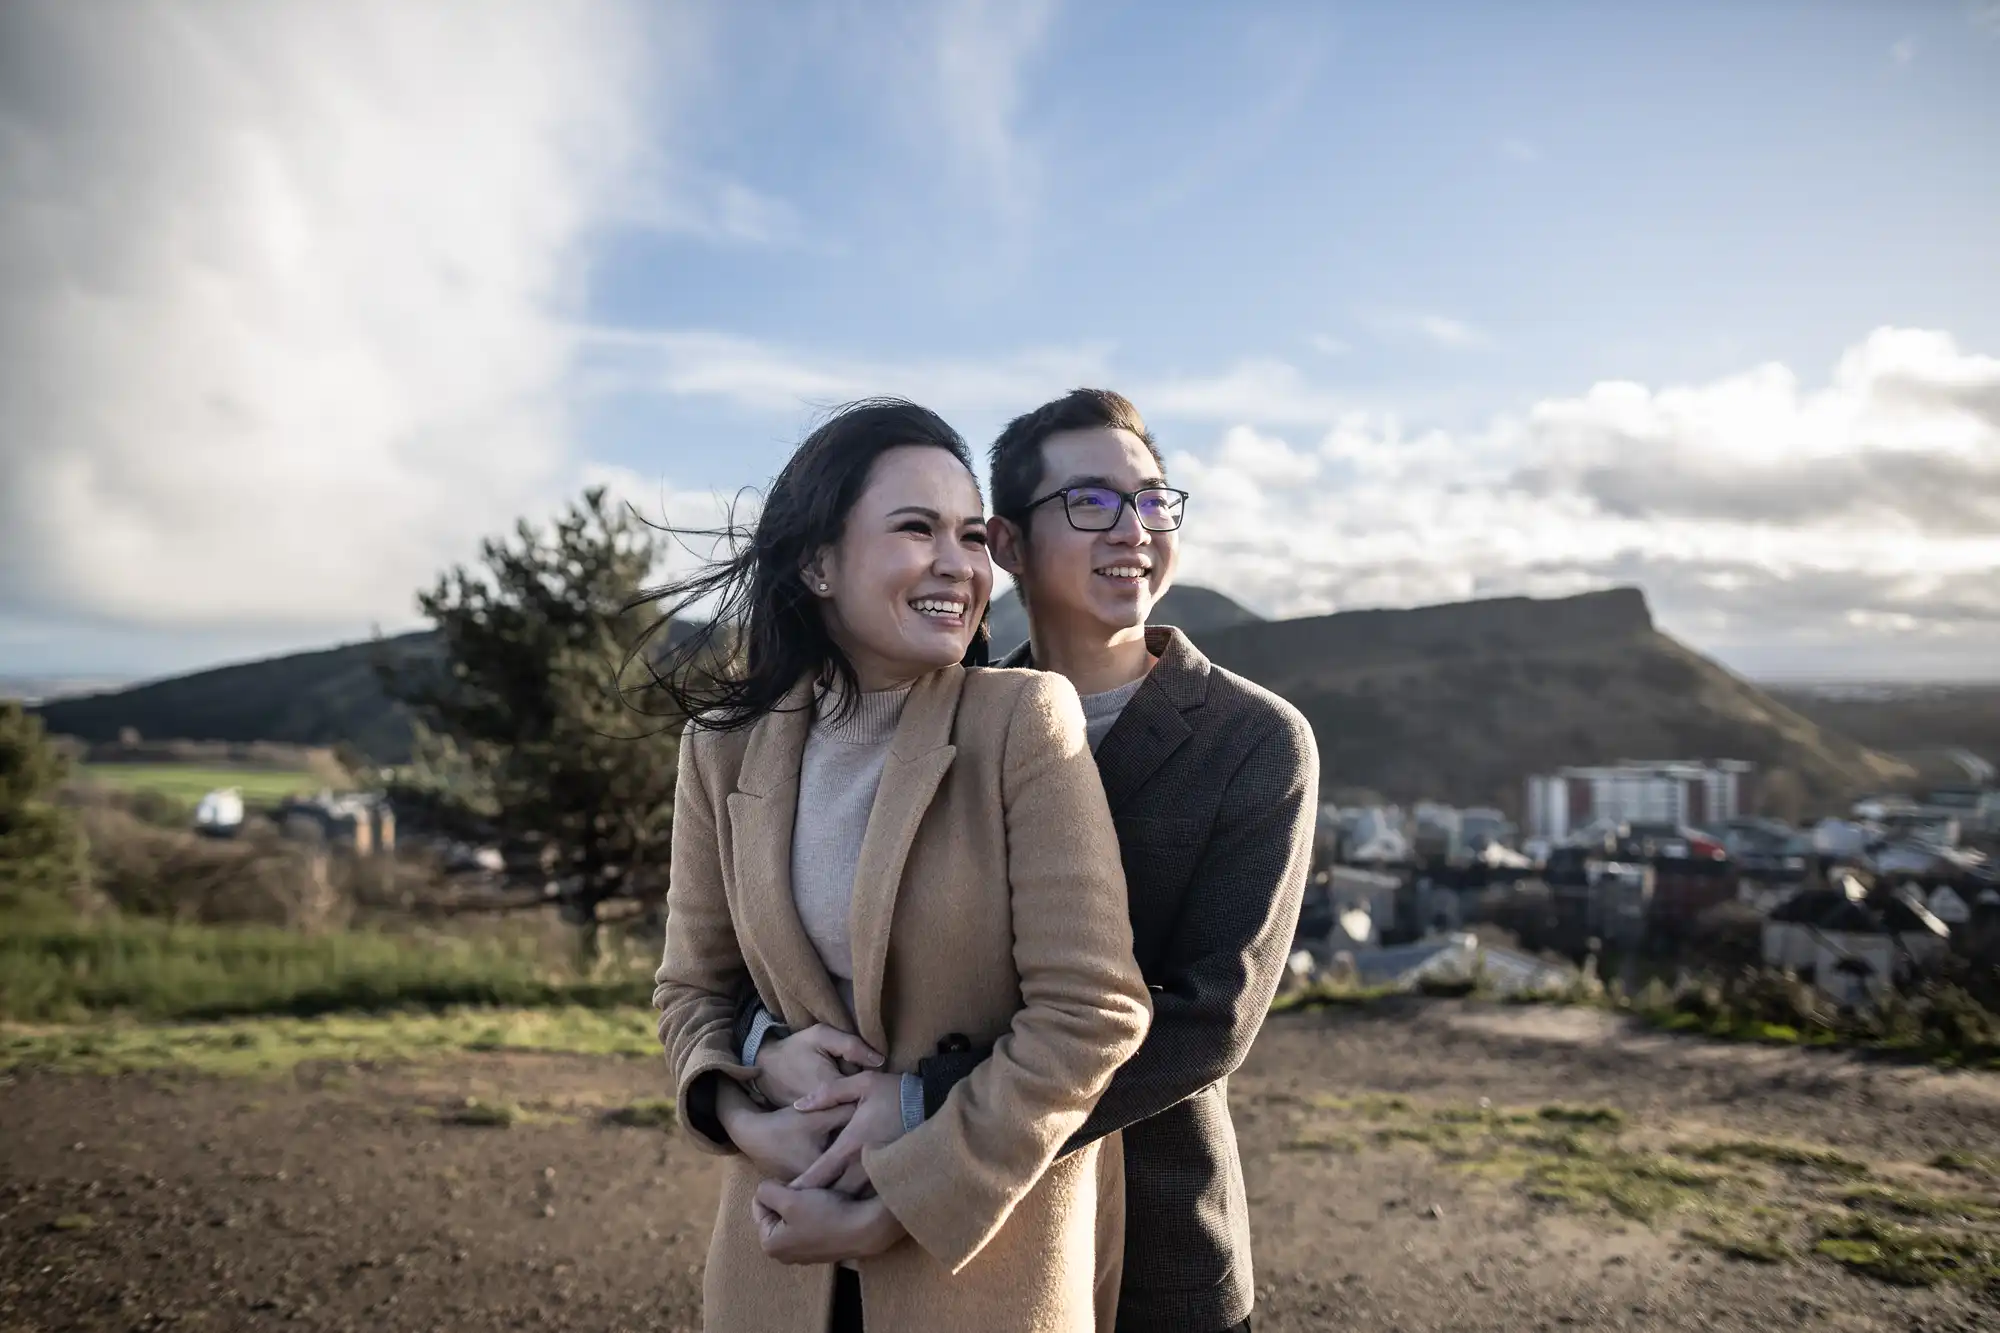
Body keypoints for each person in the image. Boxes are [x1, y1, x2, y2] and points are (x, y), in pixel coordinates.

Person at [755, 389, 1317, 1333]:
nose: (1131, 530)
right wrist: (763, 1059)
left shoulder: (1255, 741)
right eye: (1091, 503)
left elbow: (1208, 1016)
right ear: (1006, 544)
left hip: (1155, 1222)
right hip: (960, 1258)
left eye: (1151, 500)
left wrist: (921, 1106)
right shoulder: (942, 717)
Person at [647, 398, 1152, 1333]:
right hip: (776, 1262)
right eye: (916, 529)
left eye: (969, 534)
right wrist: (752, 1108)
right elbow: (690, 990)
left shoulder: (1023, 721)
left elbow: (1092, 1013)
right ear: (818, 563)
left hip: (976, 1270)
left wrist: (904, 1172)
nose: (958, 566)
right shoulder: (721, 750)